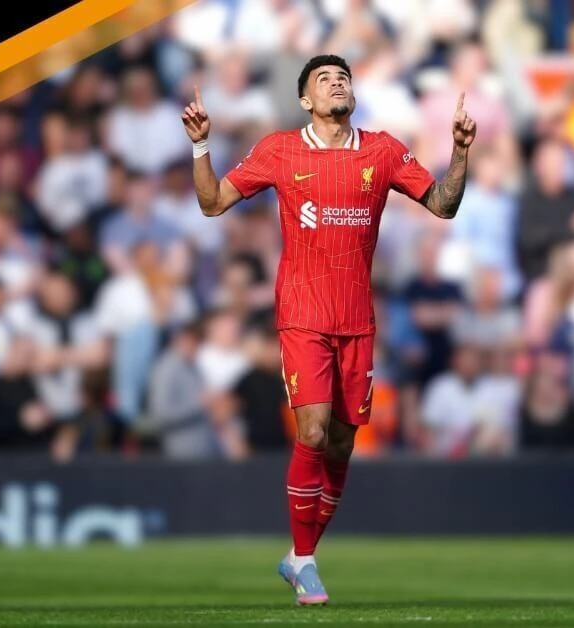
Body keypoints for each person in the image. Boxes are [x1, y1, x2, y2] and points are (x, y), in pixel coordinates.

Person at [181, 53, 476, 605]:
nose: (337, 83)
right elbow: (212, 202)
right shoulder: (280, 150)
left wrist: (460, 152)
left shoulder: (382, 150)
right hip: (303, 312)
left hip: (357, 318)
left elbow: (443, 205)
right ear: (305, 100)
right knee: (313, 431)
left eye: (343, 77)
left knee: (340, 443)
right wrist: (201, 146)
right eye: (324, 78)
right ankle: (307, 562)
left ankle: (299, 557)